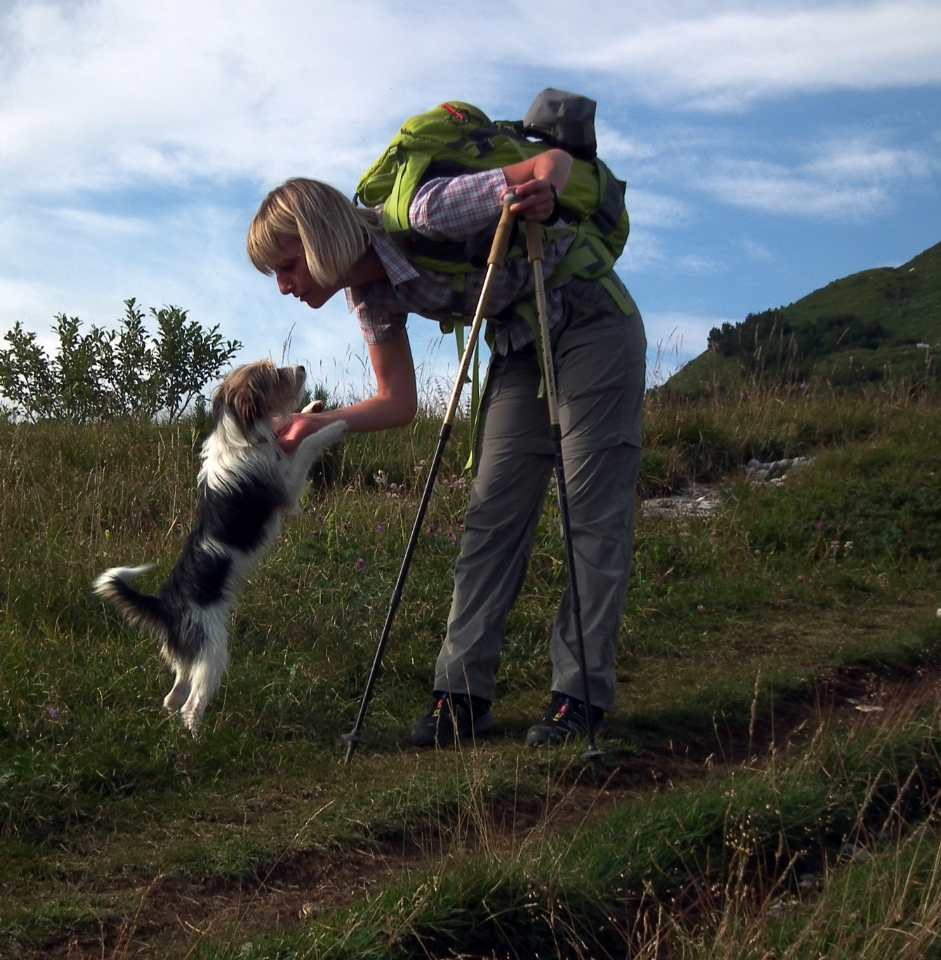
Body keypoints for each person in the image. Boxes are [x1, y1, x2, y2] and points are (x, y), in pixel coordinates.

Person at [246, 149, 646, 747]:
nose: (284, 286)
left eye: (287, 265)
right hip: (519, 338)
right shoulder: (369, 297)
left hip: (590, 318)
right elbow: (397, 402)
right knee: (490, 517)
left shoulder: (431, 212)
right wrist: (315, 424)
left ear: (319, 236)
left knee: (588, 509)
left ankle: (579, 699)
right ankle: (460, 699)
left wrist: (549, 193)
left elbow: (554, 160)